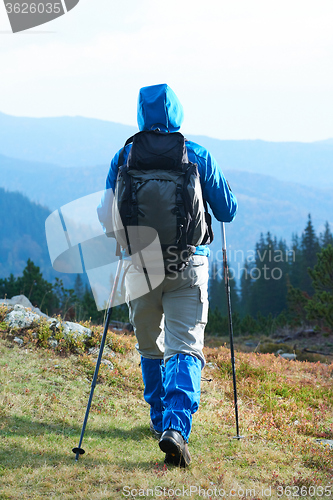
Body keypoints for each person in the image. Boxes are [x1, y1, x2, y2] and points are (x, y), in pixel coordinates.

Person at [98, 83, 237, 467]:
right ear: (176, 111)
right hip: (188, 265)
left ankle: (159, 421)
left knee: (150, 347)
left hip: (139, 267)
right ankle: (177, 428)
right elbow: (227, 210)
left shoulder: (124, 155)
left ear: (142, 114)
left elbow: (104, 214)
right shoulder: (196, 153)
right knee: (184, 347)